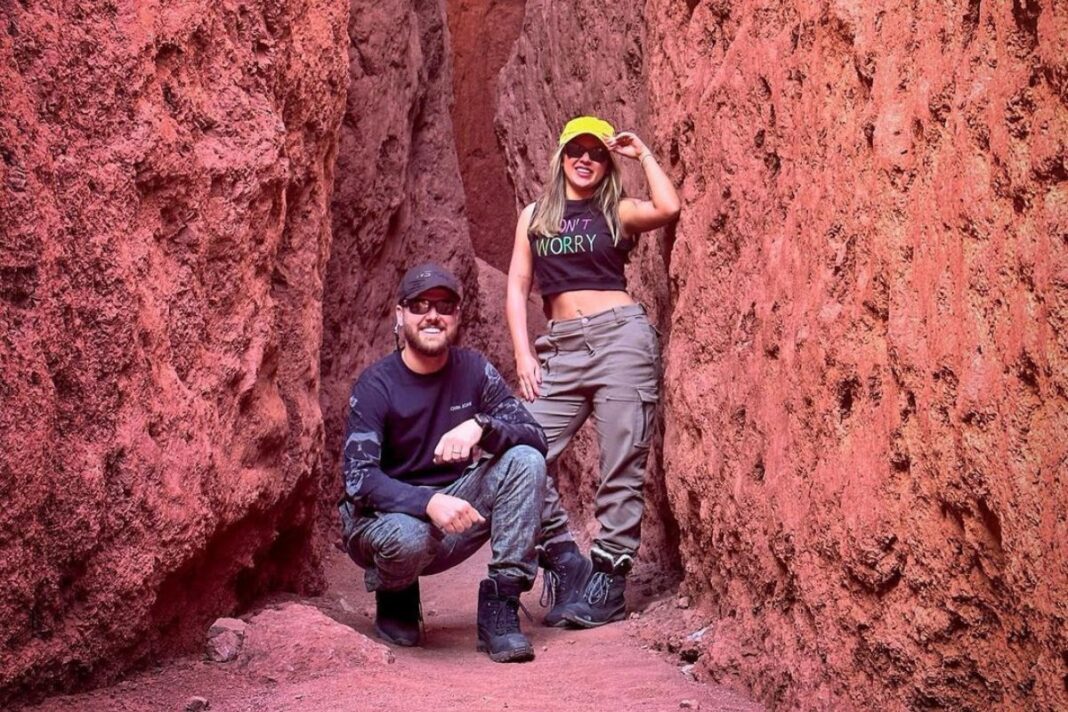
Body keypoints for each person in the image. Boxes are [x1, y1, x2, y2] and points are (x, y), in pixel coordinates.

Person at [506, 115, 681, 628]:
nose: (585, 159)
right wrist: (523, 354)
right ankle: (563, 555)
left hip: (620, 338)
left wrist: (640, 153)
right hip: (559, 347)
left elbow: (669, 207)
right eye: (575, 150)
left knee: (621, 459)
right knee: (520, 450)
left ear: (607, 164)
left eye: (596, 153)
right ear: (560, 156)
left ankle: (607, 581)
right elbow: (517, 287)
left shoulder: (617, 210)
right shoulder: (535, 216)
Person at [339, 262, 549, 663]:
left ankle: (501, 608)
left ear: (457, 316)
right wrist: (427, 503)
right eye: (419, 305)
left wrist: (481, 426)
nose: (432, 315)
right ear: (399, 315)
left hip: (456, 512)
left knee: (525, 460)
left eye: (444, 305)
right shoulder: (375, 385)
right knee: (409, 537)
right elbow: (358, 480)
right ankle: (396, 590)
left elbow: (535, 436)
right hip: (386, 521)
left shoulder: (473, 370)